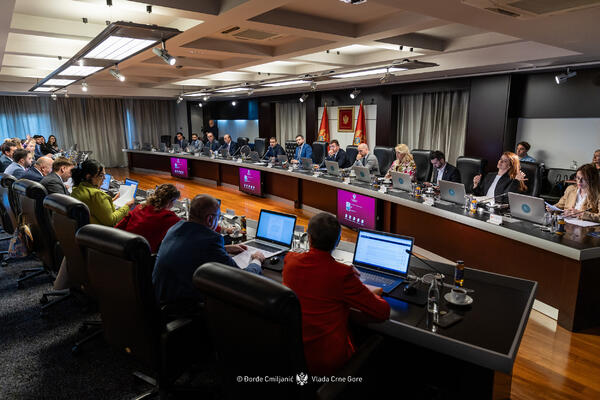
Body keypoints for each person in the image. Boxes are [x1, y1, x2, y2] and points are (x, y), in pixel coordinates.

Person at [283, 212, 390, 375]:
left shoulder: (290, 260)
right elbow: (383, 312)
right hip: (328, 365)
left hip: (292, 356)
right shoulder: (342, 275)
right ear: (338, 242)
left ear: (309, 238)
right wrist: (367, 289)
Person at [152, 194, 264, 306]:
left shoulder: (175, 228)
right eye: (218, 217)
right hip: (182, 308)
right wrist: (256, 260)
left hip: (158, 299)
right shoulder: (210, 240)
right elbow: (240, 280)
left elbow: (193, 249)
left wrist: (224, 249)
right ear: (210, 219)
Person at [116, 184, 181, 253]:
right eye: (174, 202)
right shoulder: (169, 218)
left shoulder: (139, 207)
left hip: (122, 249)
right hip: (142, 256)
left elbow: (118, 227)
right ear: (170, 202)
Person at [70, 159, 132, 226]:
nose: (104, 178)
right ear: (88, 176)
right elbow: (111, 220)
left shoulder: (76, 189)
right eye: (101, 175)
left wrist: (111, 201)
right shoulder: (96, 194)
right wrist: (127, 207)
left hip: (86, 230)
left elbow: (95, 207)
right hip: (104, 231)